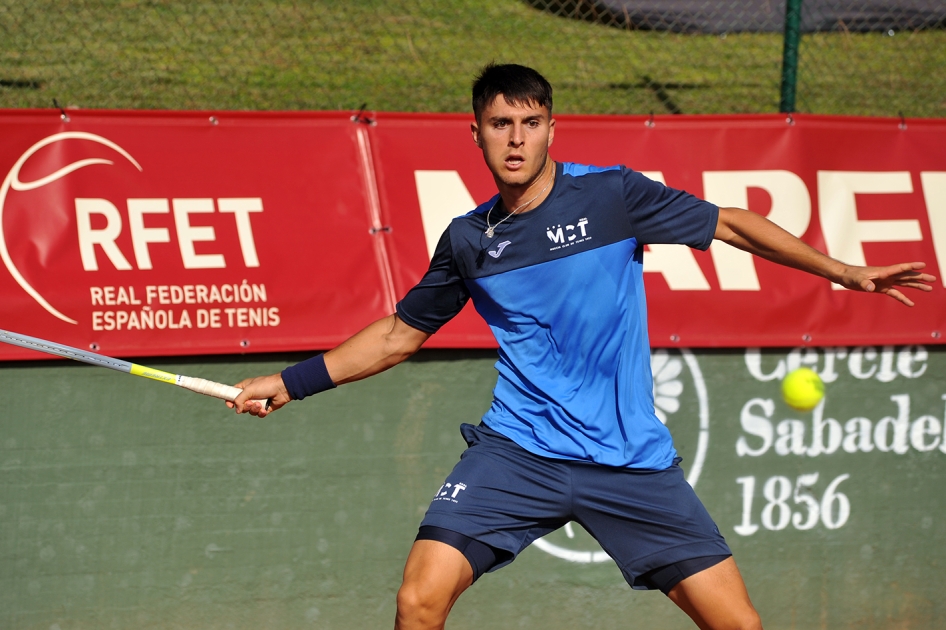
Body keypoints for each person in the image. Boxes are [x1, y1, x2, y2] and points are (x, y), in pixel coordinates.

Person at [229, 63, 934, 630]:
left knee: (737, 624)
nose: (515, 139)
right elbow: (394, 337)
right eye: (500, 124)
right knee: (418, 602)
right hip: (517, 453)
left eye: (530, 124)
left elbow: (734, 226)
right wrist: (290, 383)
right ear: (474, 132)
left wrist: (844, 272)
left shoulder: (613, 197)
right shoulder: (469, 241)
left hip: (629, 463)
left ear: (550, 130)